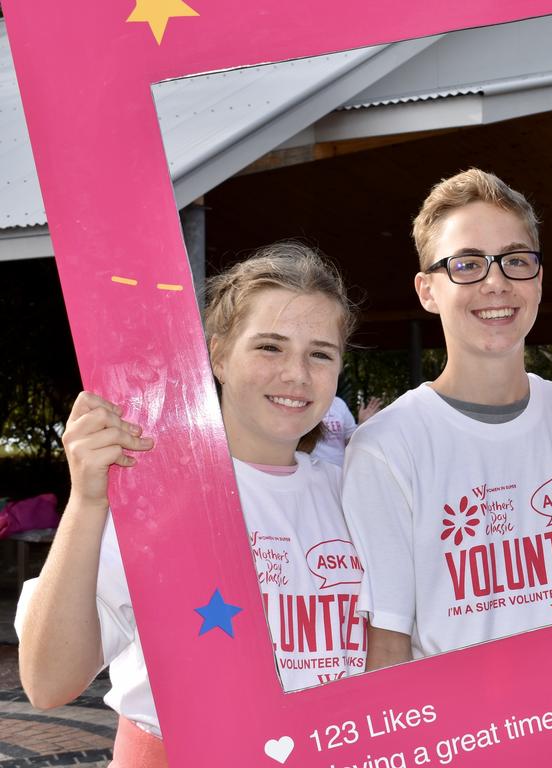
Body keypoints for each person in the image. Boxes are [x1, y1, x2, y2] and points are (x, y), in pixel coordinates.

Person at [16, 242, 365, 765]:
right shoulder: (153, 494)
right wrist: (88, 502)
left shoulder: (356, 495)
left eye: (320, 353)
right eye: (269, 347)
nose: (296, 374)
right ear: (219, 354)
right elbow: (48, 682)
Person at [342, 169, 552, 671]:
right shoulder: (386, 447)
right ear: (427, 290)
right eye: (466, 264)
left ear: (540, 278)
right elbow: (388, 650)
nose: (496, 282)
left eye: (516, 260)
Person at [312, 395, 383, 467]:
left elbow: (350, 440)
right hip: (312, 469)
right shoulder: (306, 403)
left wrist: (362, 424)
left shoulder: (338, 403)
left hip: (341, 469)